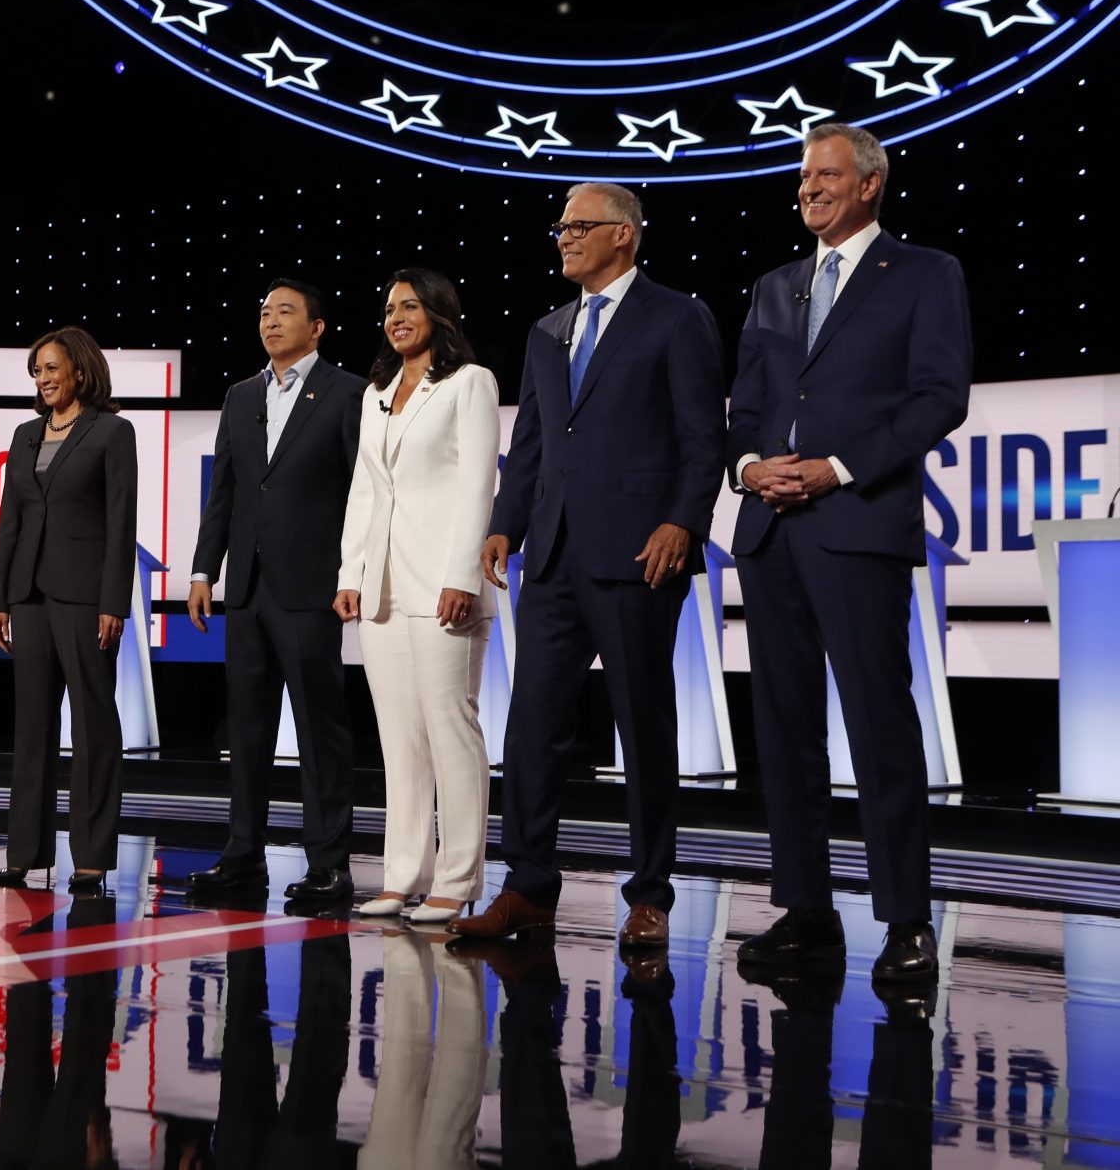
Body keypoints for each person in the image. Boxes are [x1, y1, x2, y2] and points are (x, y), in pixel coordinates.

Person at [449, 182, 725, 951]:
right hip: (556, 556)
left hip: (641, 552)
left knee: (643, 726)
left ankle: (650, 894)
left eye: (580, 226)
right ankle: (528, 887)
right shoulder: (548, 330)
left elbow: (704, 436)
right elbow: (531, 443)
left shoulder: (677, 315)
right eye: (560, 226)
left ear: (625, 235)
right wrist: (506, 525)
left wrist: (683, 519)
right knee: (533, 727)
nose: (564, 237)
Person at [728, 123, 971, 984]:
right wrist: (751, 466)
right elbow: (747, 406)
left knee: (877, 724)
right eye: (803, 176)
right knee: (785, 729)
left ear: (870, 183)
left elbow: (941, 398)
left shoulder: (924, 273)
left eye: (826, 174)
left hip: (858, 523)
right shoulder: (775, 286)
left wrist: (836, 467)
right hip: (770, 532)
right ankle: (805, 910)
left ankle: (907, 919)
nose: (808, 188)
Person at [185, 279, 366, 902]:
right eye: (264, 312)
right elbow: (226, 492)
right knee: (248, 728)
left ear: (317, 327)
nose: (271, 321)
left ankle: (330, 863)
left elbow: (362, 495)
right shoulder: (241, 395)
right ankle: (243, 855)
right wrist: (205, 570)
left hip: (311, 586)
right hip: (247, 590)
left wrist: (353, 574)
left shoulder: (349, 394)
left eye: (285, 311)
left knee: (320, 728)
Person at [335, 268, 499, 924]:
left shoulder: (470, 383)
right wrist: (351, 573)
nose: (395, 315)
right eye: (388, 306)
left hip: (442, 583)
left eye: (408, 305)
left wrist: (463, 573)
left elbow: (477, 484)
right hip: (383, 586)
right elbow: (365, 490)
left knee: (449, 730)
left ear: (439, 312)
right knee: (398, 737)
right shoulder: (377, 391)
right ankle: (403, 875)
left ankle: (457, 880)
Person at [0, 327, 136, 891]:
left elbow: (122, 523)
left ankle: (92, 857)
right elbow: (10, 523)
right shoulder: (26, 435)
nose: (44, 379)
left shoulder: (112, 432)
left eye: (52, 368)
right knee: (31, 727)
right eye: (38, 371)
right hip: (27, 596)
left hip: (84, 597)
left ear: (80, 371)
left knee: (93, 725)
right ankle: (24, 853)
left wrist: (113, 602)